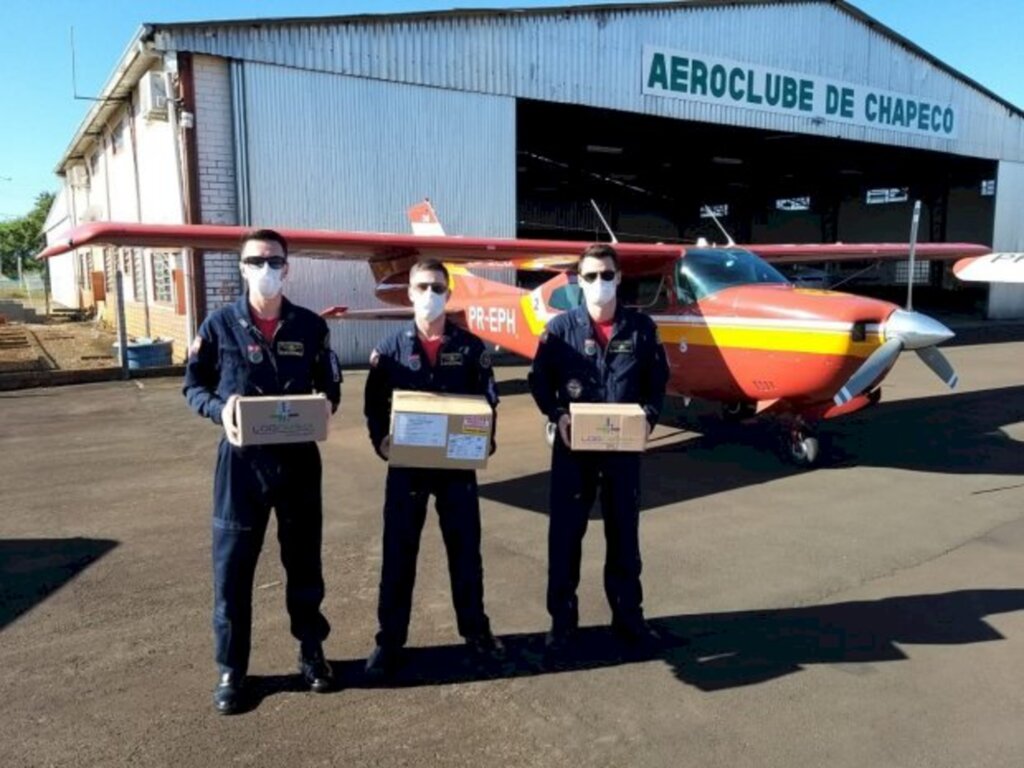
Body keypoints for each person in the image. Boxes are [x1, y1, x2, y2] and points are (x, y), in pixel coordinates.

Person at [184, 229, 342, 714]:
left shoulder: (311, 327)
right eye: (256, 260)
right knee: (232, 570)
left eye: (274, 260)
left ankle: (311, 651)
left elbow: (330, 385)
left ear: (287, 267)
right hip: (241, 467)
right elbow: (193, 386)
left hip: (297, 464)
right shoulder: (218, 326)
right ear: (242, 267)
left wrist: (323, 406)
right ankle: (233, 667)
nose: (266, 269)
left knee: (304, 564)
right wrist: (219, 409)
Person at [363, 258, 503, 680]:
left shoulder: (471, 347)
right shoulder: (388, 350)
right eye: (422, 287)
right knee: (399, 554)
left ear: (448, 293)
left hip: (456, 468)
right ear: (409, 292)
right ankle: (389, 641)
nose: (430, 295)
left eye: (438, 288)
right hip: (407, 468)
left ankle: (476, 632)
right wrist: (381, 441)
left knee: (465, 552)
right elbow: (374, 406)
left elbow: (489, 400)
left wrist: (484, 438)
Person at [527, 244, 670, 653]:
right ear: (579, 280)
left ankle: (628, 618)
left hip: (622, 454)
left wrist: (648, 418)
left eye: (607, 275)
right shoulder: (559, 331)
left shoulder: (642, 329)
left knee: (625, 536)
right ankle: (562, 622)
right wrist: (558, 414)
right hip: (574, 452)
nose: (599, 283)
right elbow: (540, 381)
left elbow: (656, 381)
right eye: (590, 276)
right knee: (565, 538)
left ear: (619, 277)